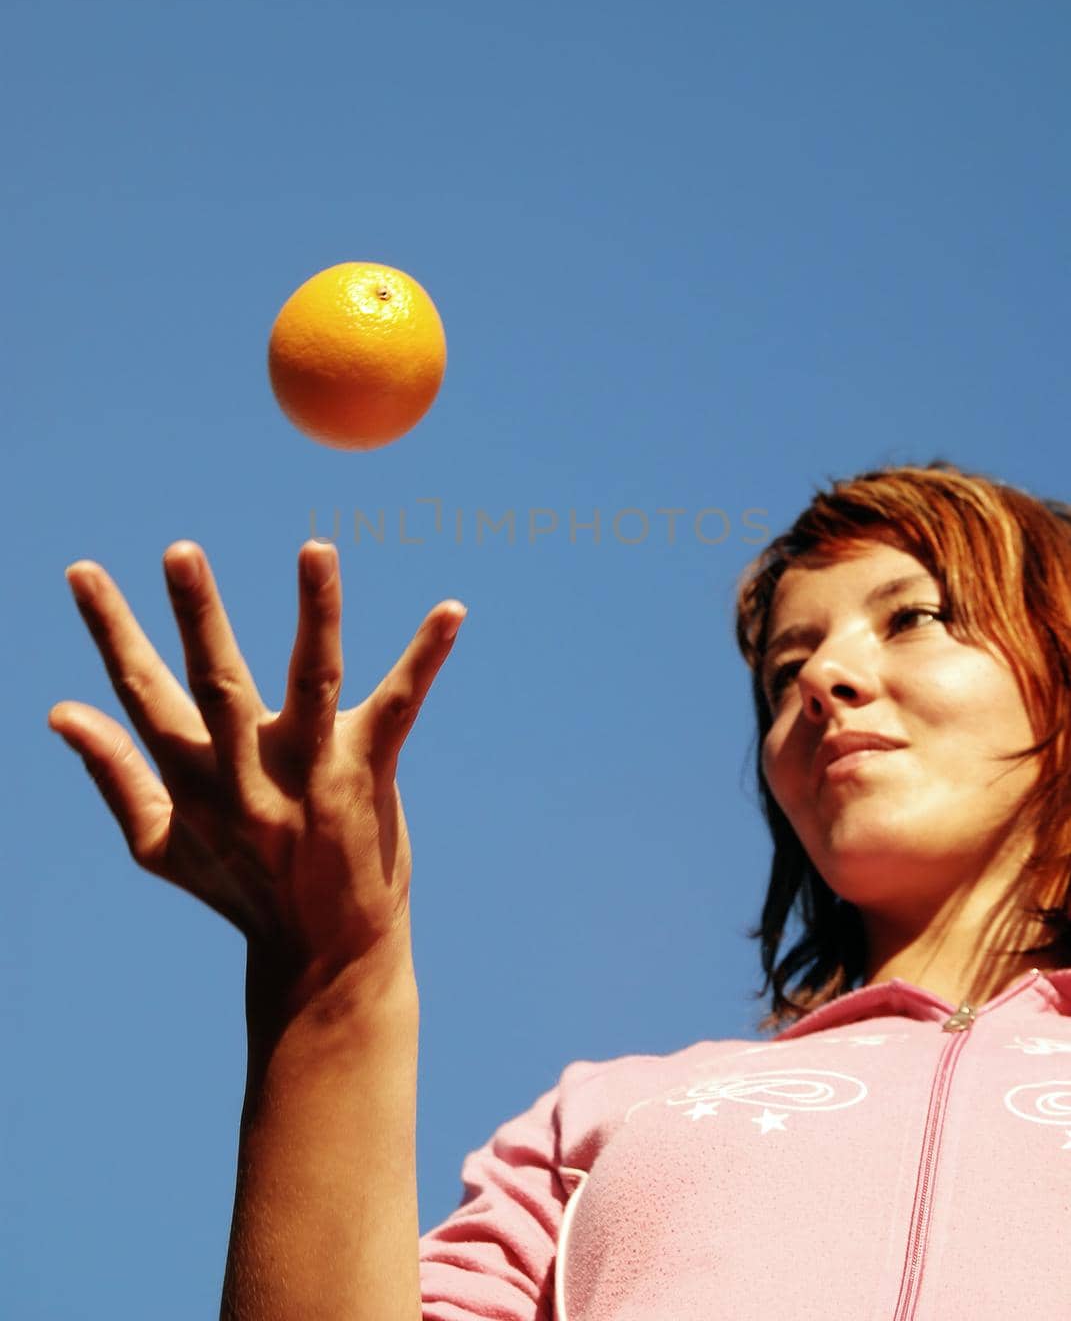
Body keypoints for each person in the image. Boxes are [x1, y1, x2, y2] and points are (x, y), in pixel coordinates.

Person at [48, 459, 1071, 1320]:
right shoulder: (607, 1118)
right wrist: (330, 972)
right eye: (783, 669)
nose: (822, 678)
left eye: (914, 617)